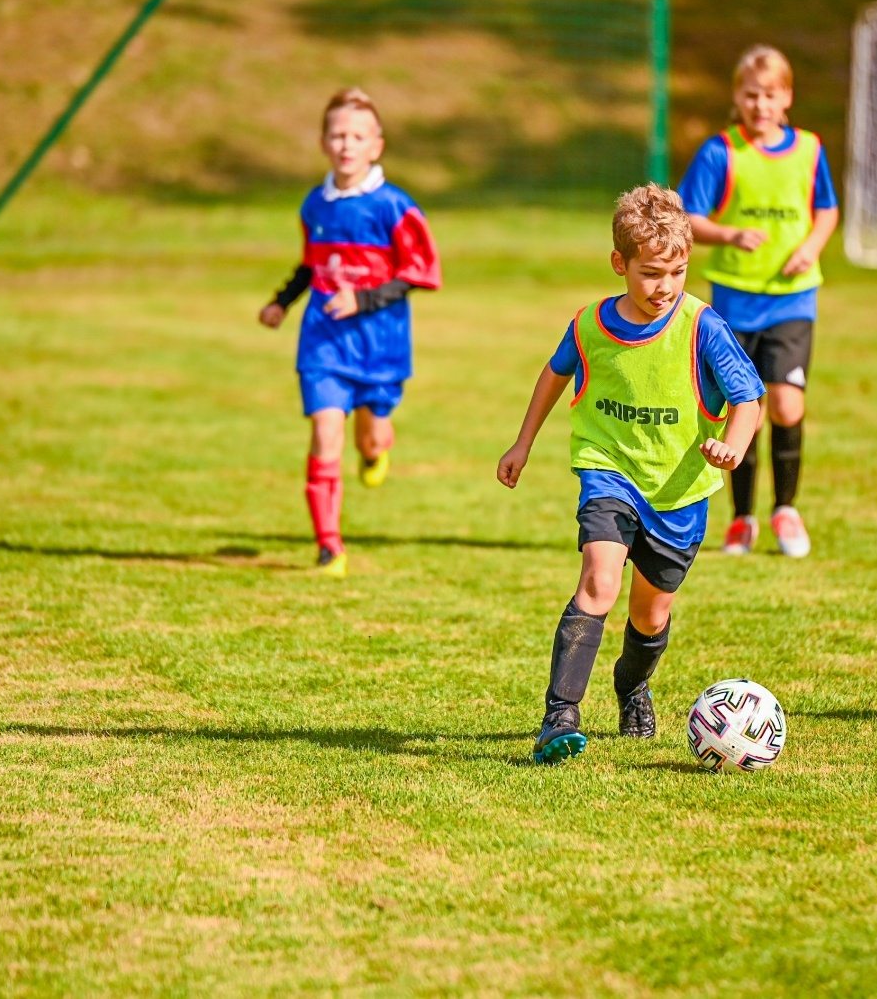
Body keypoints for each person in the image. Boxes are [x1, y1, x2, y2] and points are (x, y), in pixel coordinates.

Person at [497, 183, 763, 765]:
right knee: (599, 580)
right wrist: (523, 443)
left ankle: (632, 685)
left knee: (651, 612)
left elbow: (748, 399)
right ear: (620, 264)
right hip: (609, 471)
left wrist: (733, 447)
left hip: (679, 490)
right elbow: (554, 374)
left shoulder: (702, 327)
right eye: (650, 273)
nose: (664, 287)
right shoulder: (591, 324)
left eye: (677, 272)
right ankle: (558, 717)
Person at [259, 88, 441, 579]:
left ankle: (376, 445)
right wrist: (281, 301)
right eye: (337, 134)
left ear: (375, 146)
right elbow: (310, 265)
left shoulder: (394, 207)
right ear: (323, 142)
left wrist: (361, 299)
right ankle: (328, 546)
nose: (346, 144)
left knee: (372, 436)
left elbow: (422, 272)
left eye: (357, 136)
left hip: (380, 346)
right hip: (322, 342)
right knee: (324, 433)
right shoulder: (314, 205)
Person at [678, 45, 839, 558]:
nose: (760, 104)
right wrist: (728, 235)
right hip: (733, 302)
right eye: (751, 94)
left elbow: (827, 211)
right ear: (736, 97)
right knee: (742, 410)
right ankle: (742, 519)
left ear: (787, 97)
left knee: (787, 404)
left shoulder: (809, 149)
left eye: (770, 94)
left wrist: (810, 248)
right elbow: (688, 218)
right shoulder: (719, 153)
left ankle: (786, 510)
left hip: (792, 300)